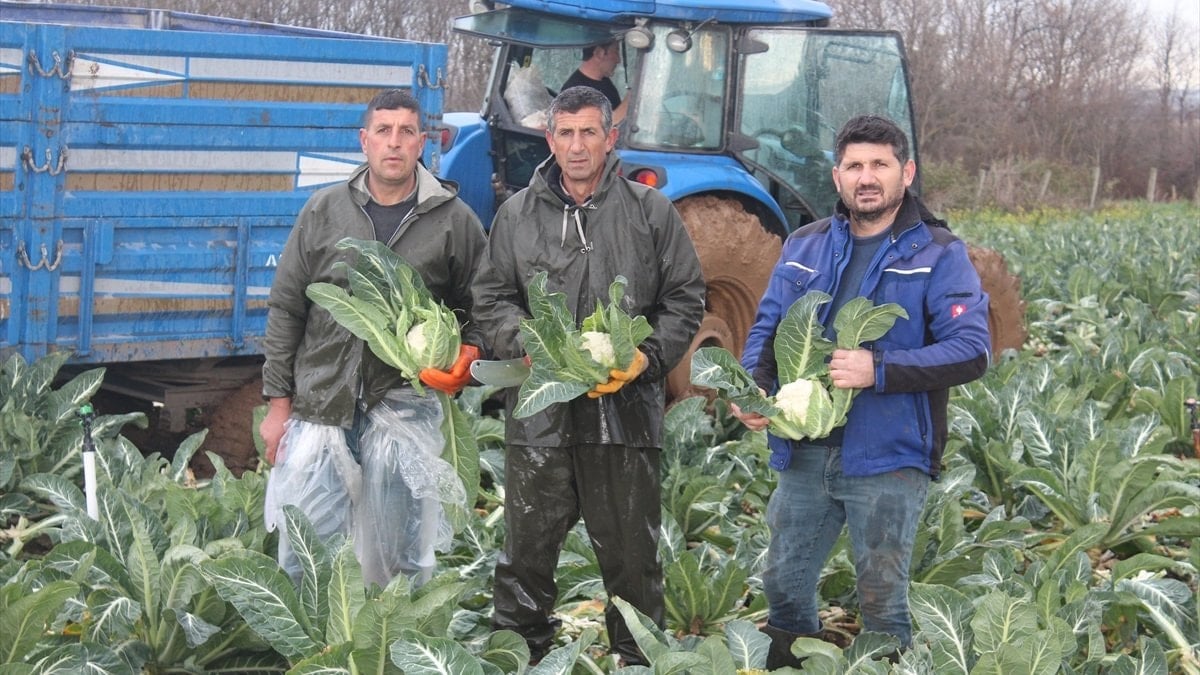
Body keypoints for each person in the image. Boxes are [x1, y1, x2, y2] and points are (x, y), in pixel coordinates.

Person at [734, 114, 991, 667]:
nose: (866, 177)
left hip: (889, 455)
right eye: (854, 166)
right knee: (782, 583)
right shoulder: (805, 244)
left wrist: (881, 368)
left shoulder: (938, 253)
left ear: (907, 172)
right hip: (805, 450)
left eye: (880, 164)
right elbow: (768, 329)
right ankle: (793, 663)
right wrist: (754, 386)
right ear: (837, 176)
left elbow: (972, 349)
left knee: (881, 597)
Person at [472, 86, 705, 665]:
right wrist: (527, 342)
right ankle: (520, 656)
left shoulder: (650, 212)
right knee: (526, 553)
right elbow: (491, 297)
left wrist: (646, 359)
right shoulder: (516, 215)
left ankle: (636, 658)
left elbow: (684, 299)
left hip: (624, 416)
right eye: (566, 133)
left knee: (632, 557)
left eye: (589, 133)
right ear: (550, 140)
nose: (577, 146)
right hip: (541, 417)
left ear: (609, 137)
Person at [260, 89, 486, 588]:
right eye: (383, 131)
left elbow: (484, 307)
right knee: (308, 555)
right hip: (321, 404)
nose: (394, 142)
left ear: (422, 143)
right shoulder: (324, 210)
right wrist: (278, 405)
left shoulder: (455, 221)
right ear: (364, 141)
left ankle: (390, 634)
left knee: (399, 556)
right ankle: (314, 637)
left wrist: (467, 357)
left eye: (407, 132)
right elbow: (287, 307)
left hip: (403, 406)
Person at [562, 40, 629, 124]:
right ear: (599, 53)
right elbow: (601, 127)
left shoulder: (604, 81)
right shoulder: (574, 92)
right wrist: (630, 99)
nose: (618, 60)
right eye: (616, 51)